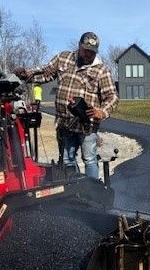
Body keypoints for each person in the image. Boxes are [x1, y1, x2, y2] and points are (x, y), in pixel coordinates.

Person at [14, 32, 118, 179]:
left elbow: (112, 97)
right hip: (65, 123)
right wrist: (26, 74)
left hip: (86, 125)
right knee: (67, 159)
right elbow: (45, 72)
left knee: (89, 159)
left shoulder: (101, 70)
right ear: (79, 46)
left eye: (92, 52)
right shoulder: (64, 58)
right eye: (86, 50)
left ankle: (93, 194)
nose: (89, 54)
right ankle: (73, 191)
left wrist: (101, 112)